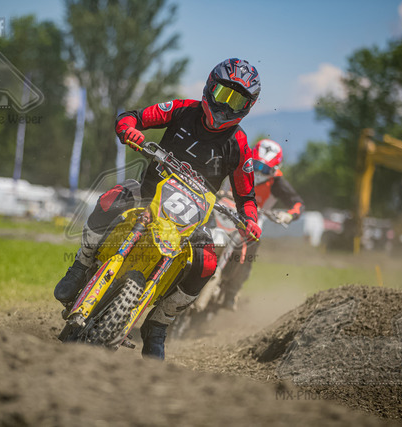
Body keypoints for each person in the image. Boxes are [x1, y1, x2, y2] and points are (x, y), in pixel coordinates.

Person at [54, 58, 262, 359]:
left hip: (194, 217)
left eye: (236, 100)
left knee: (207, 263)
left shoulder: (239, 144)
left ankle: (158, 325)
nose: (226, 106)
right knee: (110, 199)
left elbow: (247, 197)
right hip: (148, 192)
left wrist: (251, 220)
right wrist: (129, 130)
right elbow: (131, 117)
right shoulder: (182, 109)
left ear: (247, 106)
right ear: (209, 87)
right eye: (222, 94)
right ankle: (80, 267)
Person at [219, 139, 305, 310]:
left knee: (248, 254)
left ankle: (232, 291)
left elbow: (298, 203)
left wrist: (288, 215)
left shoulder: (277, 182)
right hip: (221, 209)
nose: (258, 171)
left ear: (274, 170)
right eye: (256, 165)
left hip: (252, 221)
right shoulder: (236, 162)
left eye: (264, 169)